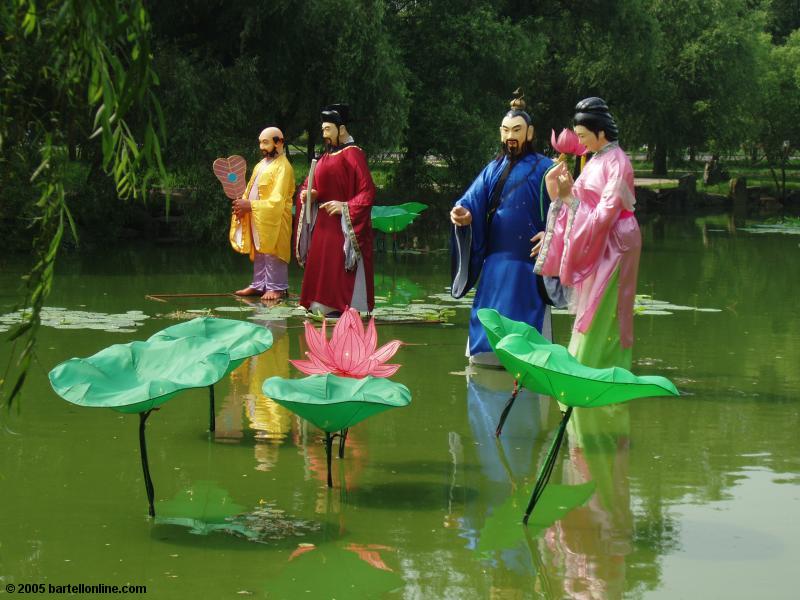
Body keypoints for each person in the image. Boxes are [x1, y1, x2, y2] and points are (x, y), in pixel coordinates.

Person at [534, 97, 641, 370]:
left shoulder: (618, 163)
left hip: (616, 241)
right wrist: (559, 190)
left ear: (600, 132)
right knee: (590, 307)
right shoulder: (596, 159)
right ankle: (584, 359)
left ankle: (600, 364)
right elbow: (579, 203)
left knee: (603, 305)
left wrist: (569, 196)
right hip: (598, 239)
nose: (580, 142)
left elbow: (604, 216)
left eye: (583, 136)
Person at [450, 91, 555, 364]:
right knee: (487, 329)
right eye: (506, 130)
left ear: (529, 133)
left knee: (528, 340)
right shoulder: (492, 169)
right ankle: (485, 360)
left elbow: (566, 211)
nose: (511, 136)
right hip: (495, 265)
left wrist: (552, 234)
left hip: (528, 266)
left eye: (517, 130)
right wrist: (462, 214)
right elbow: (470, 200)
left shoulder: (547, 170)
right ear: (500, 133)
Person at [295, 104, 376, 316]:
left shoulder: (353, 154)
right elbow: (310, 184)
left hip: (342, 226)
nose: (324, 134)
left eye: (327, 129)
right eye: (323, 130)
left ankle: (346, 307)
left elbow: (367, 192)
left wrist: (345, 206)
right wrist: (309, 194)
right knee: (322, 268)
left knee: (338, 268)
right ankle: (319, 305)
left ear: (341, 129)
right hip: (323, 224)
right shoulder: (325, 156)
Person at [231, 126, 295, 301]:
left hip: (274, 217)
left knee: (273, 250)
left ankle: (277, 287)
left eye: (266, 142)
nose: (262, 147)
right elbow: (250, 188)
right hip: (257, 215)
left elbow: (277, 200)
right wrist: (241, 205)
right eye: (260, 142)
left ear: (279, 142)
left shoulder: (284, 167)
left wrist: (250, 205)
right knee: (260, 249)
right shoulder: (260, 165)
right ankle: (259, 284)